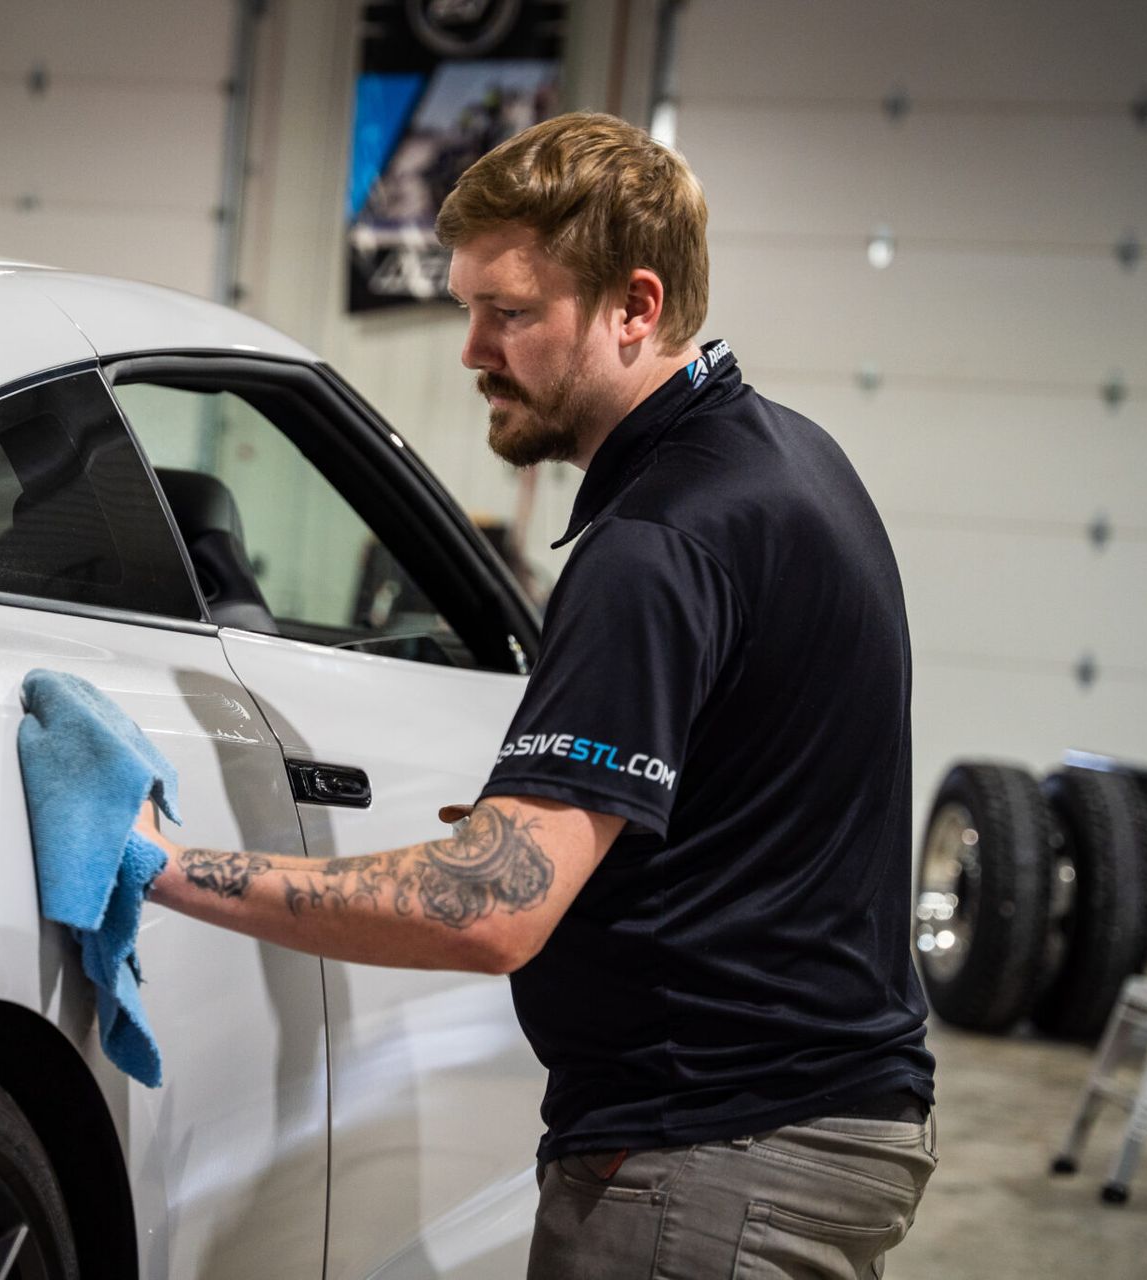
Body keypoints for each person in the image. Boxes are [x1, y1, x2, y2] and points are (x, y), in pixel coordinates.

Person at [136, 110, 935, 1278]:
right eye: (470, 307)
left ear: (636, 307)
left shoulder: (658, 541)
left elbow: (489, 908)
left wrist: (163, 863)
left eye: (509, 312)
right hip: (821, 1119)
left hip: (711, 1153)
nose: (472, 349)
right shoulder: (786, 458)